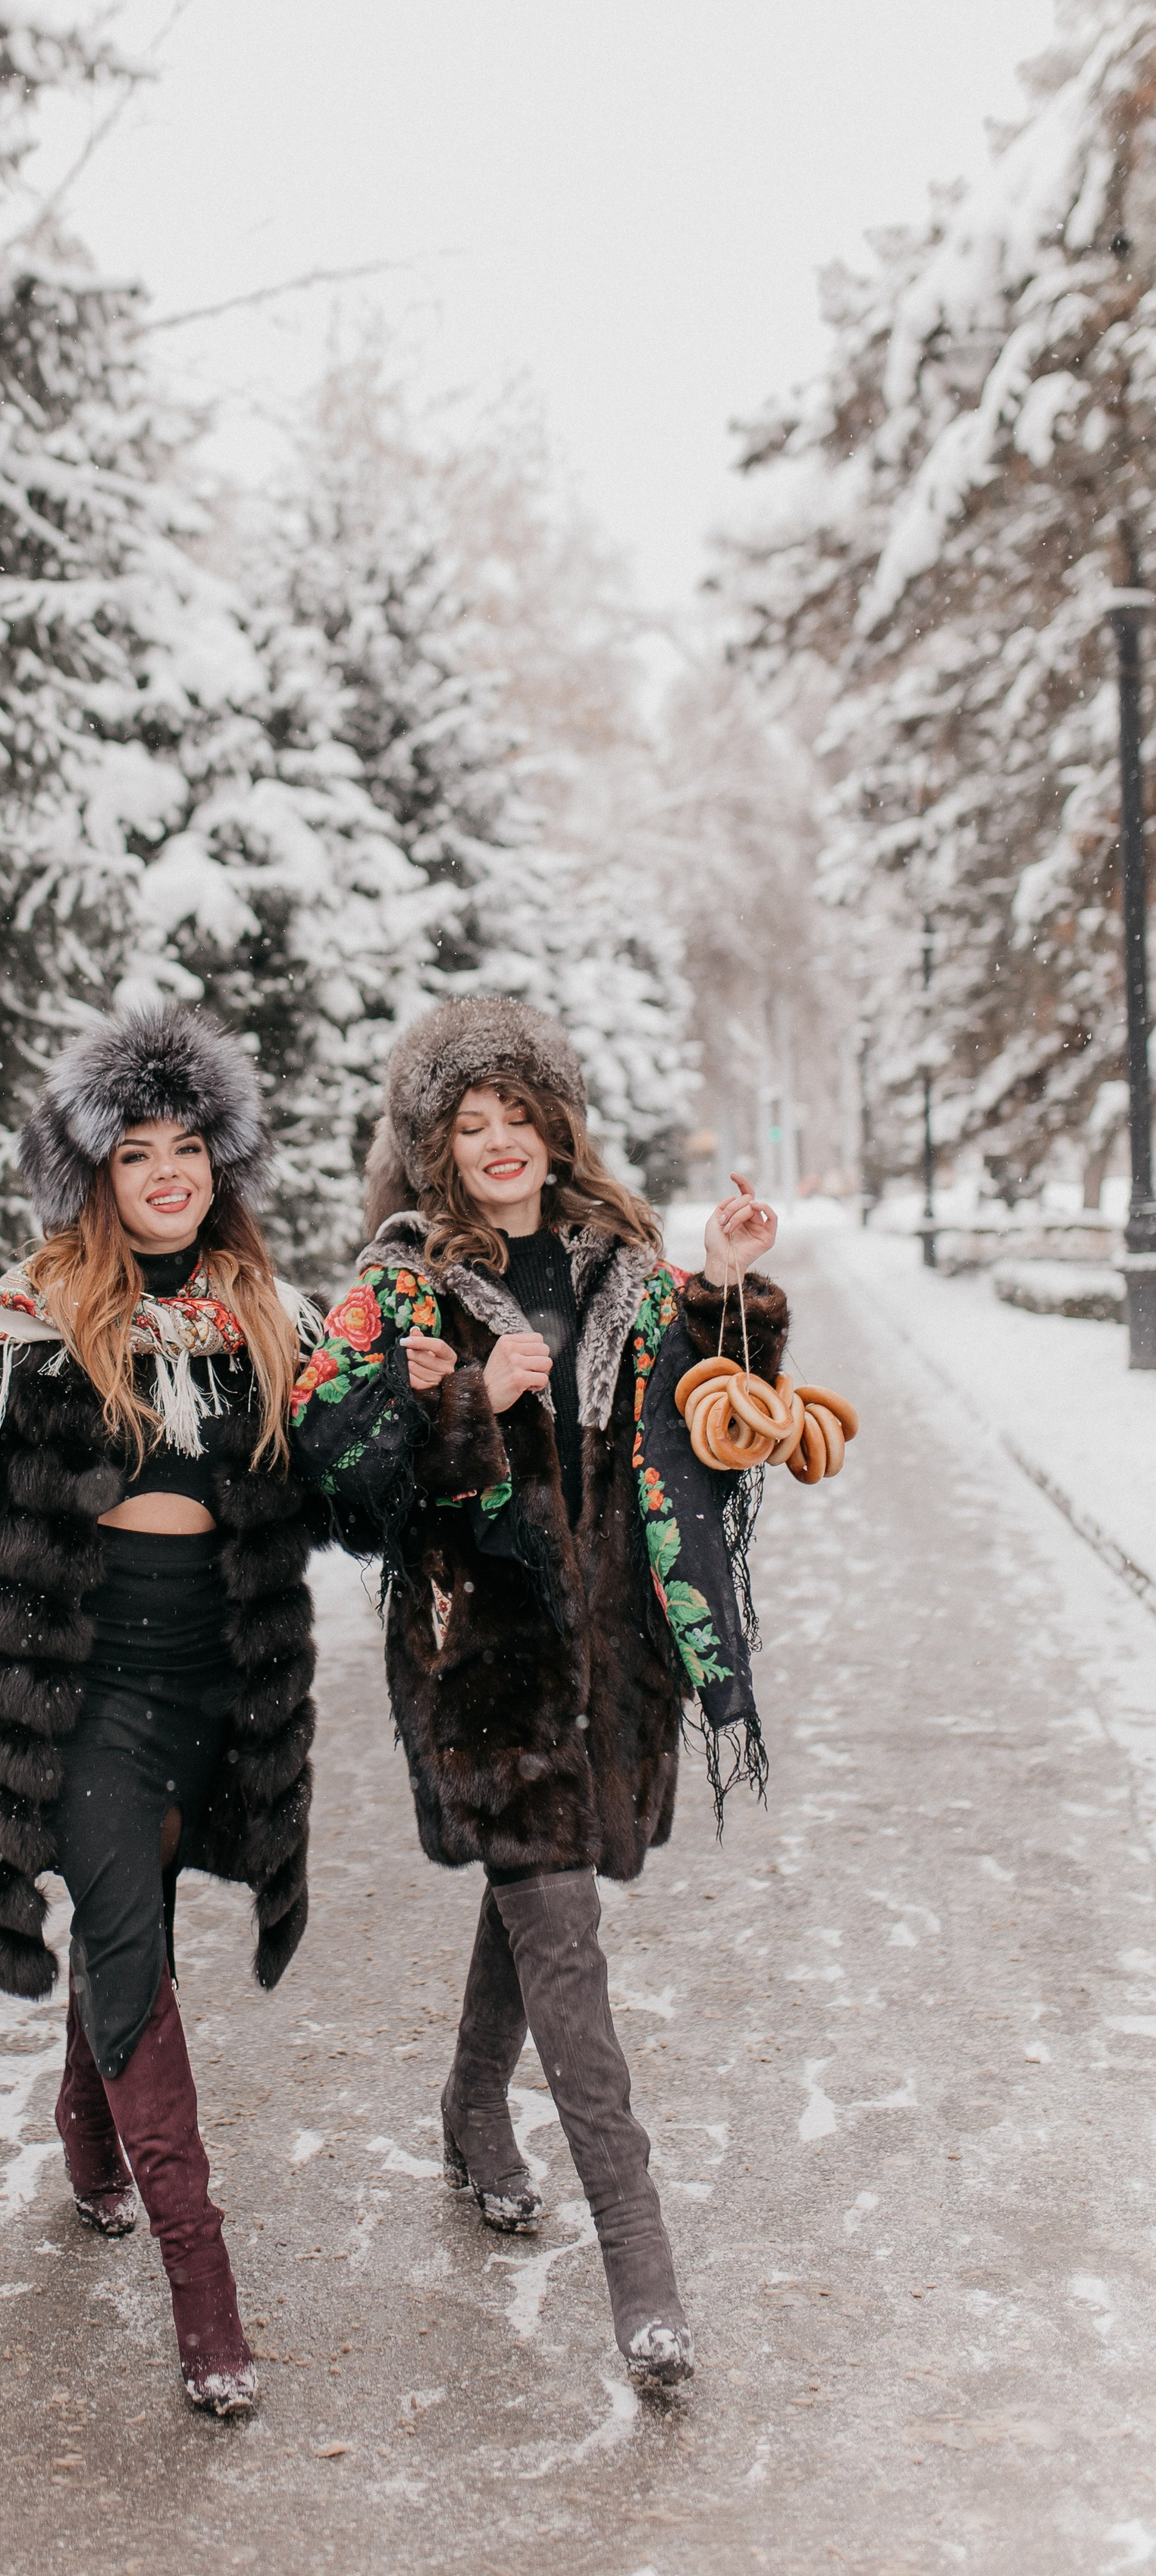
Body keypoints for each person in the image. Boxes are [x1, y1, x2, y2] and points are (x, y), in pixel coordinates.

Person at [289, 996, 785, 2392]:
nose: (499, 1143)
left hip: (616, 1650)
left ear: (556, 1126)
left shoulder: (621, 1265)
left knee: (543, 1890)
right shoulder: (399, 1287)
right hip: (483, 1654)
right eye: (470, 1121)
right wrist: (463, 1406)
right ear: (436, 1148)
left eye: (519, 1115)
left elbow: (717, 1442)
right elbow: (332, 1469)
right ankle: (644, 2269)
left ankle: (466, 2111)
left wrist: (732, 1295)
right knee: (564, 1941)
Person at [0, 1006, 322, 2418]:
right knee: (126, 1937)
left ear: (219, 1165)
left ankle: (87, 2128)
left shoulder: (265, 1314)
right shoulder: (39, 1303)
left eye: (188, 1148)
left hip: (223, 1683)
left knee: (146, 1919)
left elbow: (334, 1490)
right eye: (138, 1151)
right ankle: (206, 2300)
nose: (166, 1173)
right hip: (89, 1683)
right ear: (98, 1173)